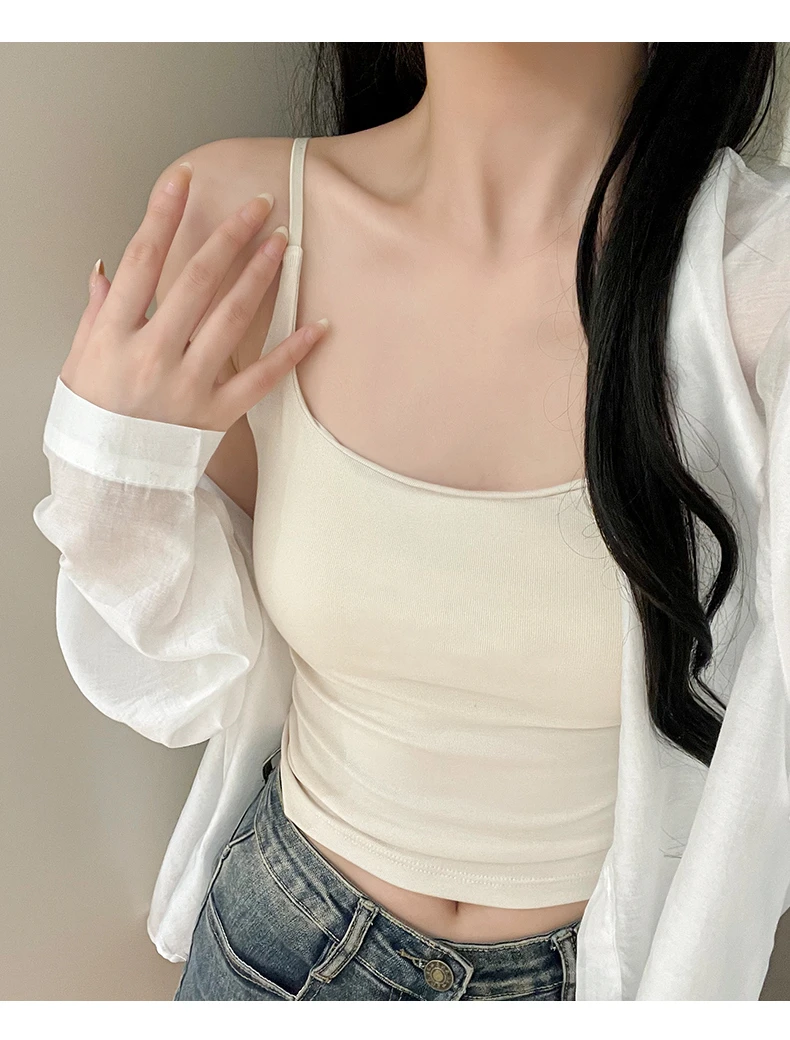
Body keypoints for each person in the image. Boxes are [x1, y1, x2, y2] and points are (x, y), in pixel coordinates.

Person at [32, 43, 790, 1000]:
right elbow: (184, 674)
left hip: (597, 979)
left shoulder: (759, 280)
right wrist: (107, 480)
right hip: (278, 945)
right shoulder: (241, 215)